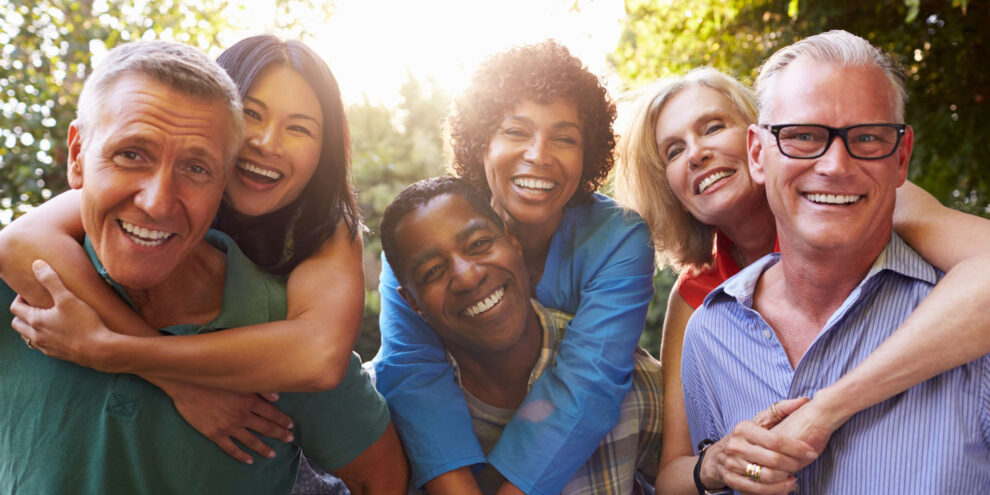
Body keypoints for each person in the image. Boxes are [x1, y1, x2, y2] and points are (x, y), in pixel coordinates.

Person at [0, 40, 406, 494]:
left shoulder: (319, 242)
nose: (267, 143)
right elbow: (18, 242)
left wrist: (108, 350)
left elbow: (320, 358)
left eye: (300, 128)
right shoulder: (63, 253)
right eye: (252, 113)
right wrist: (177, 382)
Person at [614, 55, 990, 493]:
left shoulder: (865, 199)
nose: (696, 153)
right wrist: (714, 463)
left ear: (762, 144)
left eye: (713, 127)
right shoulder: (697, 300)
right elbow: (673, 474)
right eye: (674, 151)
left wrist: (826, 410)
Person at [374, 41, 657, 494]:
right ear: (480, 142)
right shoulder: (423, 238)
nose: (539, 154)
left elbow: (589, 382)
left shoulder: (618, 238)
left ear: (588, 153)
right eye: (515, 131)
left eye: (565, 138)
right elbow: (412, 372)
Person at [378, 176, 663, 494]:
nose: (467, 277)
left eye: (478, 244)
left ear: (514, 244)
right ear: (412, 303)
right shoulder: (382, 423)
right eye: (432, 271)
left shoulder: (633, 384)